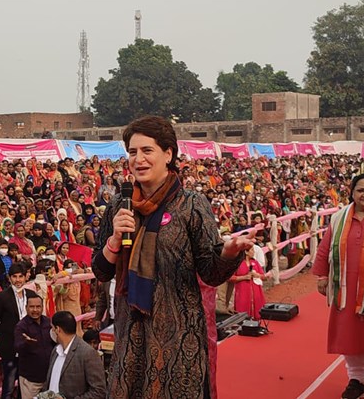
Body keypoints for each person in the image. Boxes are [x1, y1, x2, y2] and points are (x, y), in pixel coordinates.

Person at [91, 116, 255, 398]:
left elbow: (210, 273)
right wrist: (114, 241)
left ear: (168, 154)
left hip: (179, 340)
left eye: (147, 150)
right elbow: (101, 271)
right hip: (130, 335)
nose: (138, 159)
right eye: (132, 152)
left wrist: (228, 253)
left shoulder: (191, 205)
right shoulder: (119, 205)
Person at [313, 173, 364, 399]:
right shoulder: (339, 217)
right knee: (350, 339)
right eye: (360, 190)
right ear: (352, 192)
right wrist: (322, 276)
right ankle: (357, 381)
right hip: (345, 291)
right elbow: (325, 247)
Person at [0, 263, 39, 399]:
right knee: (8, 386)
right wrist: (6, 336)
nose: (18, 280)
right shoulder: (2, 297)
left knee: (25, 385)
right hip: (9, 348)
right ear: (9, 278)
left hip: (28, 348)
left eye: (20, 276)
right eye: (14, 277)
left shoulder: (32, 295)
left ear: (26, 277)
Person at [42, 311, 106, 399]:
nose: (51, 331)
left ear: (58, 329)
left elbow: (99, 391)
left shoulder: (87, 353)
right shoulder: (56, 351)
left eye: (52, 328)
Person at [14, 295, 55, 399]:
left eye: (38, 307)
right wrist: (27, 343)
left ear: (42, 307)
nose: (35, 310)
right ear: (26, 307)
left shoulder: (48, 322)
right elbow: (17, 347)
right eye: (32, 307)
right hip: (30, 380)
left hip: (48, 377)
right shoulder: (21, 326)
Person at [230, 247, 266, 320]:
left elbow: (264, 277)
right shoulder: (237, 263)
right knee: (242, 316)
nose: (254, 252)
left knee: (258, 315)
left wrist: (257, 275)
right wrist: (244, 277)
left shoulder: (255, 262)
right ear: (246, 252)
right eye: (252, 250)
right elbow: (230, 278)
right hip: (242, 292)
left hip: (256, 292)